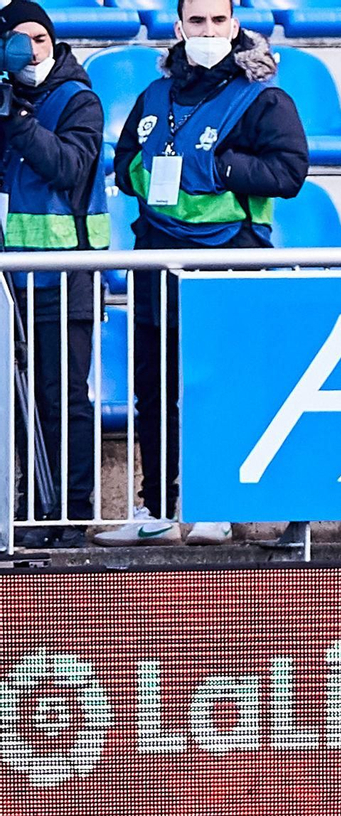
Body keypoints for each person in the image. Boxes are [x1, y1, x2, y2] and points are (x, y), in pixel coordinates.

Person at [96, 0, 307, 547]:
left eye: (217, 20)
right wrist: (149, 171)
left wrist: (214, 166)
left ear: (234, 26)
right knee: (153, 390)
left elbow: (289, 173)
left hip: (230, 259)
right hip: (156, 259)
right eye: (197, 21)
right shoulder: (154, 96)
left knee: (219, 386)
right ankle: (155, 509)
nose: (208, 30)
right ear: (179, 27)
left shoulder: (264, 98)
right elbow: (125, 166)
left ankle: (217, 506)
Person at [0, 1, 105, 549]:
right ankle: (26, 508)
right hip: (9, 284)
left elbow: (68, 166)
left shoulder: (78, 99)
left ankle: (71, 511)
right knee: (16, 404)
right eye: (20, 41)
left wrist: (18, 121)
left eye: (40, 39)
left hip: (64, 278)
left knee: (62, 397)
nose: (32, 51)